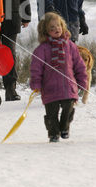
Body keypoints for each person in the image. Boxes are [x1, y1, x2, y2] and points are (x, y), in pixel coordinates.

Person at [30, 12, 88, 142]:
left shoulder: (70, 46)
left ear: (63, 26)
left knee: (69, 108)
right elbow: (36, 68)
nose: (56, 29)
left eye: (58, 26)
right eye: (52, 28)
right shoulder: (42, 49)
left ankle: (64, 127)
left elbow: (79, 65)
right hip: (49, 88)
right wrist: (36, 83)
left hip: (68, 86)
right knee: (52, 114)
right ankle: (53, 133)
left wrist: (82, 81)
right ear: (45, 31)